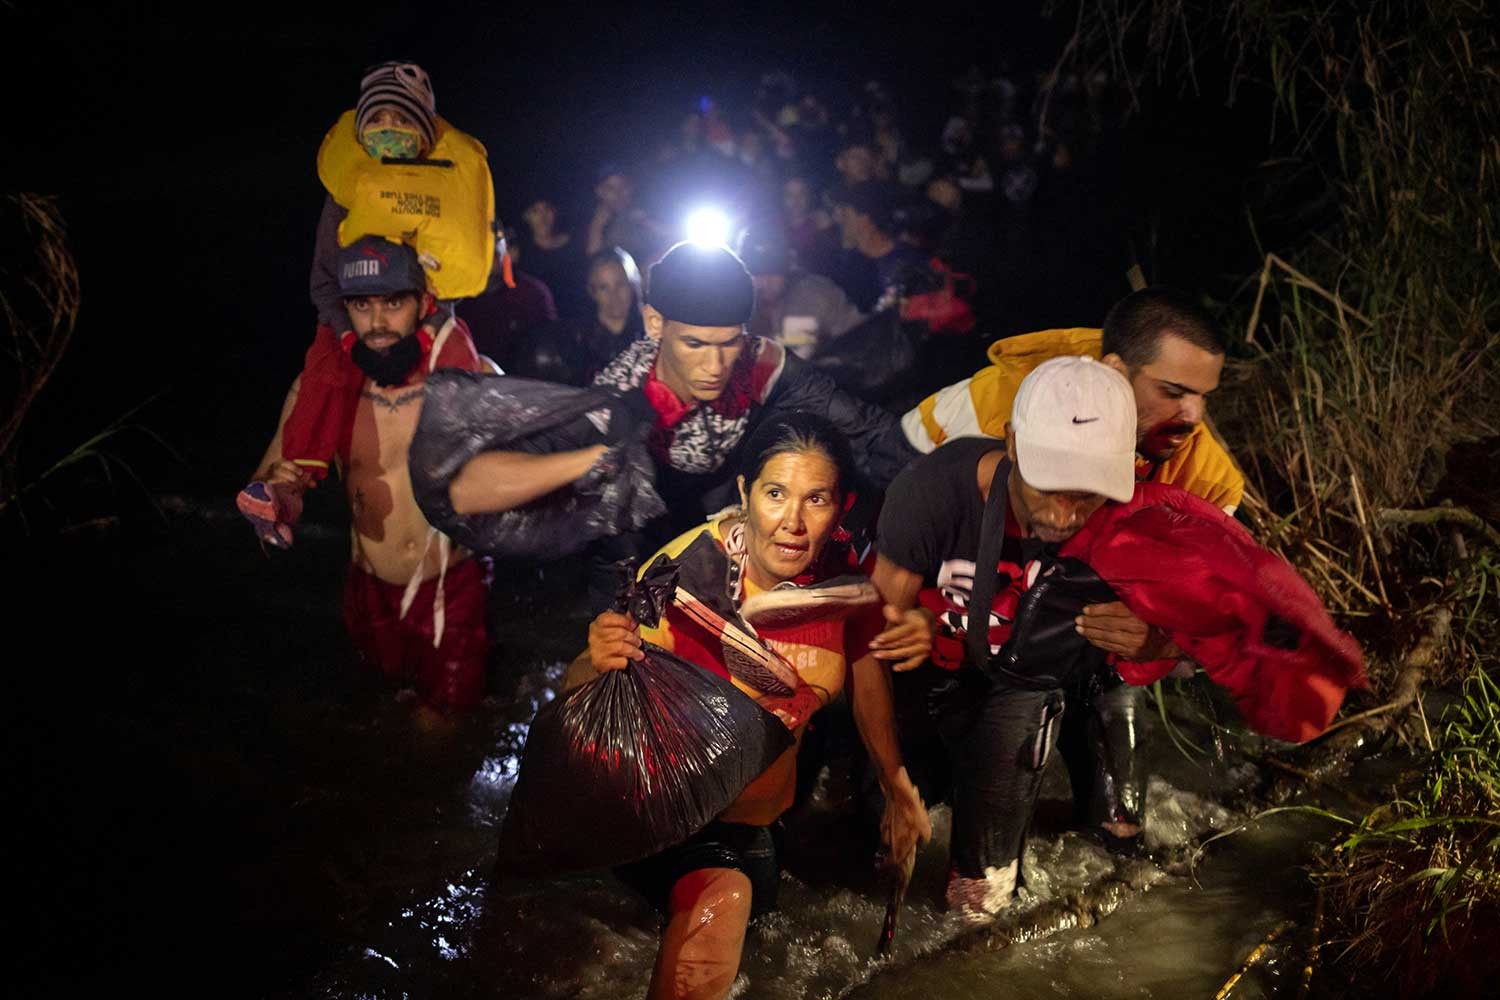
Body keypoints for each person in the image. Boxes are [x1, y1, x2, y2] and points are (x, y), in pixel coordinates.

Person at [567, 413, 932, 1000]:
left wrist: (895, 781)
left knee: (751, 927)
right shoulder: (683, 576)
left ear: (842, 507)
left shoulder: (841, 577)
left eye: (816, 499)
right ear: (744, 494)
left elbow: (864, 669)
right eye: (775, 493)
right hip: (663, 822)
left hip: (754, 826)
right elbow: (581, 692)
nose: (792, 522)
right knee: (721, 914)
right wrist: (594, 657)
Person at [871, 355, 1161, 920]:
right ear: (1010, 444)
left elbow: (1226, 631)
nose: (1064, 515)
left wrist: (1158, 643)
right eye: (1049, 485)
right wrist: (891, 780)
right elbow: (867, 649)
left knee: (981, 896)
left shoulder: (1136, 516)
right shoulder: (932, 491)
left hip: (1029, 685)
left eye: (1088, 494)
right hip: (933, 678)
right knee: (878, 857)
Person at [438, 241, 920, 550]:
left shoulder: (760, 361)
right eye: (694, 344)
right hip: (635, 534)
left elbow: (867, 430)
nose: (715, 366)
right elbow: (465, 488)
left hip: (727, 515)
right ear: (655, 324)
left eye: (729, 342)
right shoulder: (619, 397)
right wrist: (593, 459)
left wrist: (949, 484)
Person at [236, 61, 493, 543]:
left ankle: (485, 495)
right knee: (321, 377)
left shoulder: (448, 183)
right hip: (352, 321)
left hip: (423, 321)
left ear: (423, 130)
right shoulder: (346, 192)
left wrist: (421, 332)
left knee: (468, 381)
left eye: (402, 121)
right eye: (377, 120)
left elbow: (456, 275)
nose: (389, 131)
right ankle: (286, 490)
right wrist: (351, 334)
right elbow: (324, 284)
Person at [244, 237, 490, 719]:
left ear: (423, 302)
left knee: (441, 738)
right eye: (361, 305)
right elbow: (260, 500)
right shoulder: (320, 391)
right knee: (373, 721)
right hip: (366, 588)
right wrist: (277, 499)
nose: (377, 323)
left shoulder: (471, 380)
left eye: (393, 302)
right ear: (344, 311)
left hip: (448, 588)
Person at [902, 286, 1243, 513]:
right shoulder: (987, 407)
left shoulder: (1209, 483)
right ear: (1116, 371)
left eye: (1202, 395)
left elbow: (1199, 594)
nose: (1195, 416)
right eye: (1172, 392)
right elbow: (894, 494)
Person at [736, 219, 863, 358]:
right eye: (757, 273)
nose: (766, 281)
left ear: (789, 266)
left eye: (774, 271)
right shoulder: (733, 308)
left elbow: (858, 341)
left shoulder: (817, 295)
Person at [518, 197, 589, 320]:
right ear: (526, 216)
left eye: (547, 209)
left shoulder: (575, 244)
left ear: (555, 211)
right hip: (538, 318)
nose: (543, 217)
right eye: (535, 211)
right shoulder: (519, 253)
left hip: (575, 314)